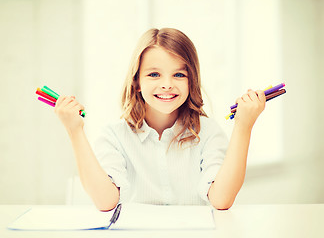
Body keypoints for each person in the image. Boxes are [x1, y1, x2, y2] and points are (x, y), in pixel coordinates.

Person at [55, 28, 266, 211]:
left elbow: (221, 200)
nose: (167, 84)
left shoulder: (208, 132)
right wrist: (75, 131)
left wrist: (243, 126)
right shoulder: (114, 135)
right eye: (154, 74)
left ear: (192, 81)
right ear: (136, 81)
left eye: (179, 75)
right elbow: (105, 201)